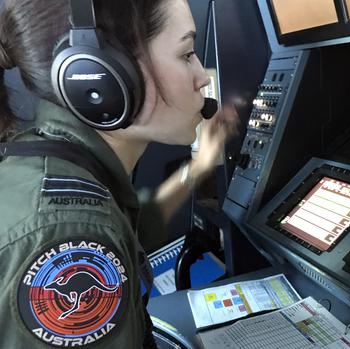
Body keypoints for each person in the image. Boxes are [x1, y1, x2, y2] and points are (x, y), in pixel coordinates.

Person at [0, 0, 236, 347]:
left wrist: (199, 168)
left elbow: (128, 224)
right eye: (186, 54)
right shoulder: (69, 235)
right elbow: (96, 227)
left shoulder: (61, 169)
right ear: (103, 76)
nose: (202, 77)